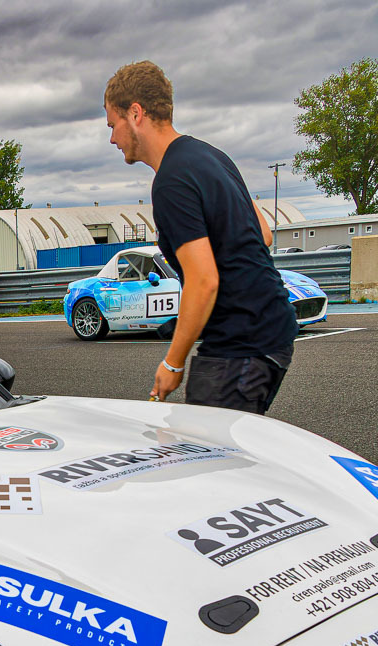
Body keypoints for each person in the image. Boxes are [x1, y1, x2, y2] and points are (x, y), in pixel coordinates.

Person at [105, 60, 296, 414]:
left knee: (209, 443)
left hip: (241, 341)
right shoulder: (211, 155)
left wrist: (173, 363)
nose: (112, 138)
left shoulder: (171, 182)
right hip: (273, 330)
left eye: (112, 124)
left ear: (135, 114)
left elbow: (204, 280)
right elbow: (264, 234)